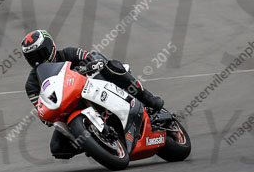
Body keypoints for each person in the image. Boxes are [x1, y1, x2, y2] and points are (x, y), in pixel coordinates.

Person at [21, 29, 164, 159]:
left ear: (51, 46)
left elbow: (88, 56)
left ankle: (147, 98)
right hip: (67, 109)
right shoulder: (32, 84)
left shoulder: (68, 53)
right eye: (32, 57)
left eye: (40, 54)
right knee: (57, 148)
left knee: (111, 65)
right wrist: (45, 115)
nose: (37, 60)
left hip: (92, 88)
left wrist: (90, 63)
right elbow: (39, 107)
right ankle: (95, 142)